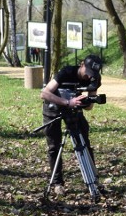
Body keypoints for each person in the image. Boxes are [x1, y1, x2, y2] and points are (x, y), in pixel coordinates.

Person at [40, 55, 102, 194]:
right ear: (82, 65)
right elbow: (44, 93)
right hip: (53, 108)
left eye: (92, 74)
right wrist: (68, 102)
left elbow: (89, 106)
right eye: (88, 72)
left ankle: (93, 180)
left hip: (74, 110)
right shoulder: (66, 72)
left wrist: (85, 101)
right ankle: (57, 183)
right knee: (54, 146)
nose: (88, 76)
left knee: (84, 143)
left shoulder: (94, 78)